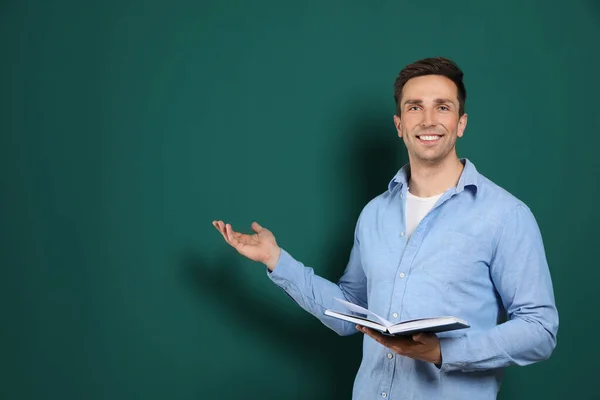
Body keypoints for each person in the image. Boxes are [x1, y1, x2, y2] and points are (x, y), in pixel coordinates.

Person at [212, 57, 559, 400]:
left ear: (461, 122)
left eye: (442, 107)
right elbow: (351, 313)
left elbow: (540, 330)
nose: (428, 120)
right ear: (399, 124)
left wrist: (442, 351)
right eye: (414, 108)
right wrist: (275, 259)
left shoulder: (506, 215)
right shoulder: (374, 214)